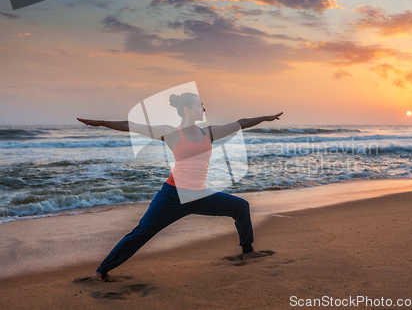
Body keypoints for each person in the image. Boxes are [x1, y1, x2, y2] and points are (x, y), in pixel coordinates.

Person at [77, 92, 283, 281]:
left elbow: (240, 123)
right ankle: (102, 271)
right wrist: (102, 123)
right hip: (172, 196)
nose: (203, 109)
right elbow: (132, 125)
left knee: (241, 207)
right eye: (199, 106)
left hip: (200, 195)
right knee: (141, 233)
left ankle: (247, 251)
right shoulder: (171, 132)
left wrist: (264, 118)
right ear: (187, 109)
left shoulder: (208, 133)